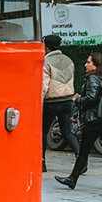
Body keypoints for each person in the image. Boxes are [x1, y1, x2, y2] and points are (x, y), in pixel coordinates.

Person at [55, 52, 102, 190]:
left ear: (96, 65)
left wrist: (77, 100)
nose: (85, 65)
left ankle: (72, 179)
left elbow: (92, 98)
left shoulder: (93, 78)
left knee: (84, 151)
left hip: (95, 121)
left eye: (89, 62)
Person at [41, 34, 79, 172]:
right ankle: (81, 160)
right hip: (67, 100)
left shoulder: (46, 62)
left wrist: (39, 101)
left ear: (47, 46)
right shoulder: (69, 60)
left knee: (43, 132)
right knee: (67, 132)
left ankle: (42, 163)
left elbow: (44, 84)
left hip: (51, 101)